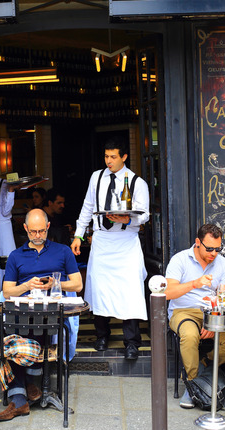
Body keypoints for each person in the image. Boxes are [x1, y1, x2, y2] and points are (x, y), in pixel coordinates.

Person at [0, 209, 83, 421]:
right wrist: (26, 285)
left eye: (41, 231)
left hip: (51, 312)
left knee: (35, 326)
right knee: (15, 330)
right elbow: (8, 290)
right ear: (26, 229)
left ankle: (25, 389)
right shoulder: (16, 255)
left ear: (47, 227)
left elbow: (78, 284)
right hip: (23, 311)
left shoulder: (62, 251)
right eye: (33, 232)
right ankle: (25, 390)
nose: (37, 236)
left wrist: (55, 283)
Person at [71, 136, 149, 360]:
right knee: (99, 289)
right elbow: (87, 207)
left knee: (130, 291)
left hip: (126, 243)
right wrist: (78, 235)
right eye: (106, 156)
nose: (109, 161)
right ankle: (101, 336)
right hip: (102, 241)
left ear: (124, 157)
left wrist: (127, 220)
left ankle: (132, 342)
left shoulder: (137, 183)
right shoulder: (96, 177)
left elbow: (144, 215)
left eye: (113, 157)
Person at [165, 223, 225, 409]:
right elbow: (167, 293)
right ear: (198, 242)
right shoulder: (180, 260)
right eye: (209, 248)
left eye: (217, 249)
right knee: (190, 336)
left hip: (211, 311)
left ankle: (204, 363)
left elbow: (223, 296)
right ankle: (193, 385)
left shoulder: (221, 263)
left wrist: (214, 321)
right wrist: (194, 284)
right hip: (183, 310)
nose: (214, 253)